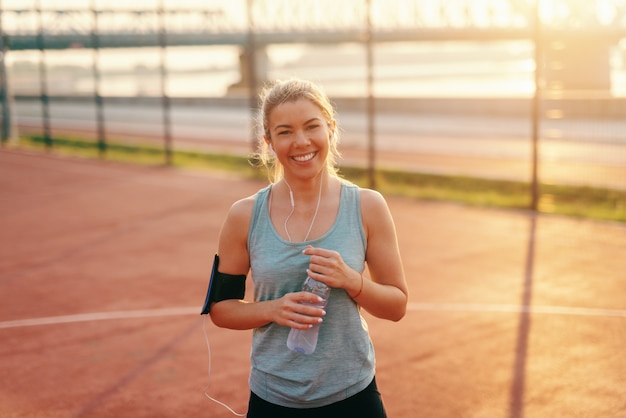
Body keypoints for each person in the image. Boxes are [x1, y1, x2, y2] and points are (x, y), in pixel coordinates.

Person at [208, 78, 408, 418]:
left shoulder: (367, 206)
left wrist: (352, 280)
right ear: (268, 141)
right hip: (274, 396)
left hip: (352, 393)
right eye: (285, 131)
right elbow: (221, 309)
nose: (301, 142)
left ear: (330, 129)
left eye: (312, 126)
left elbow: (397, 305)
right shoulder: (244, 215)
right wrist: (274, 310)